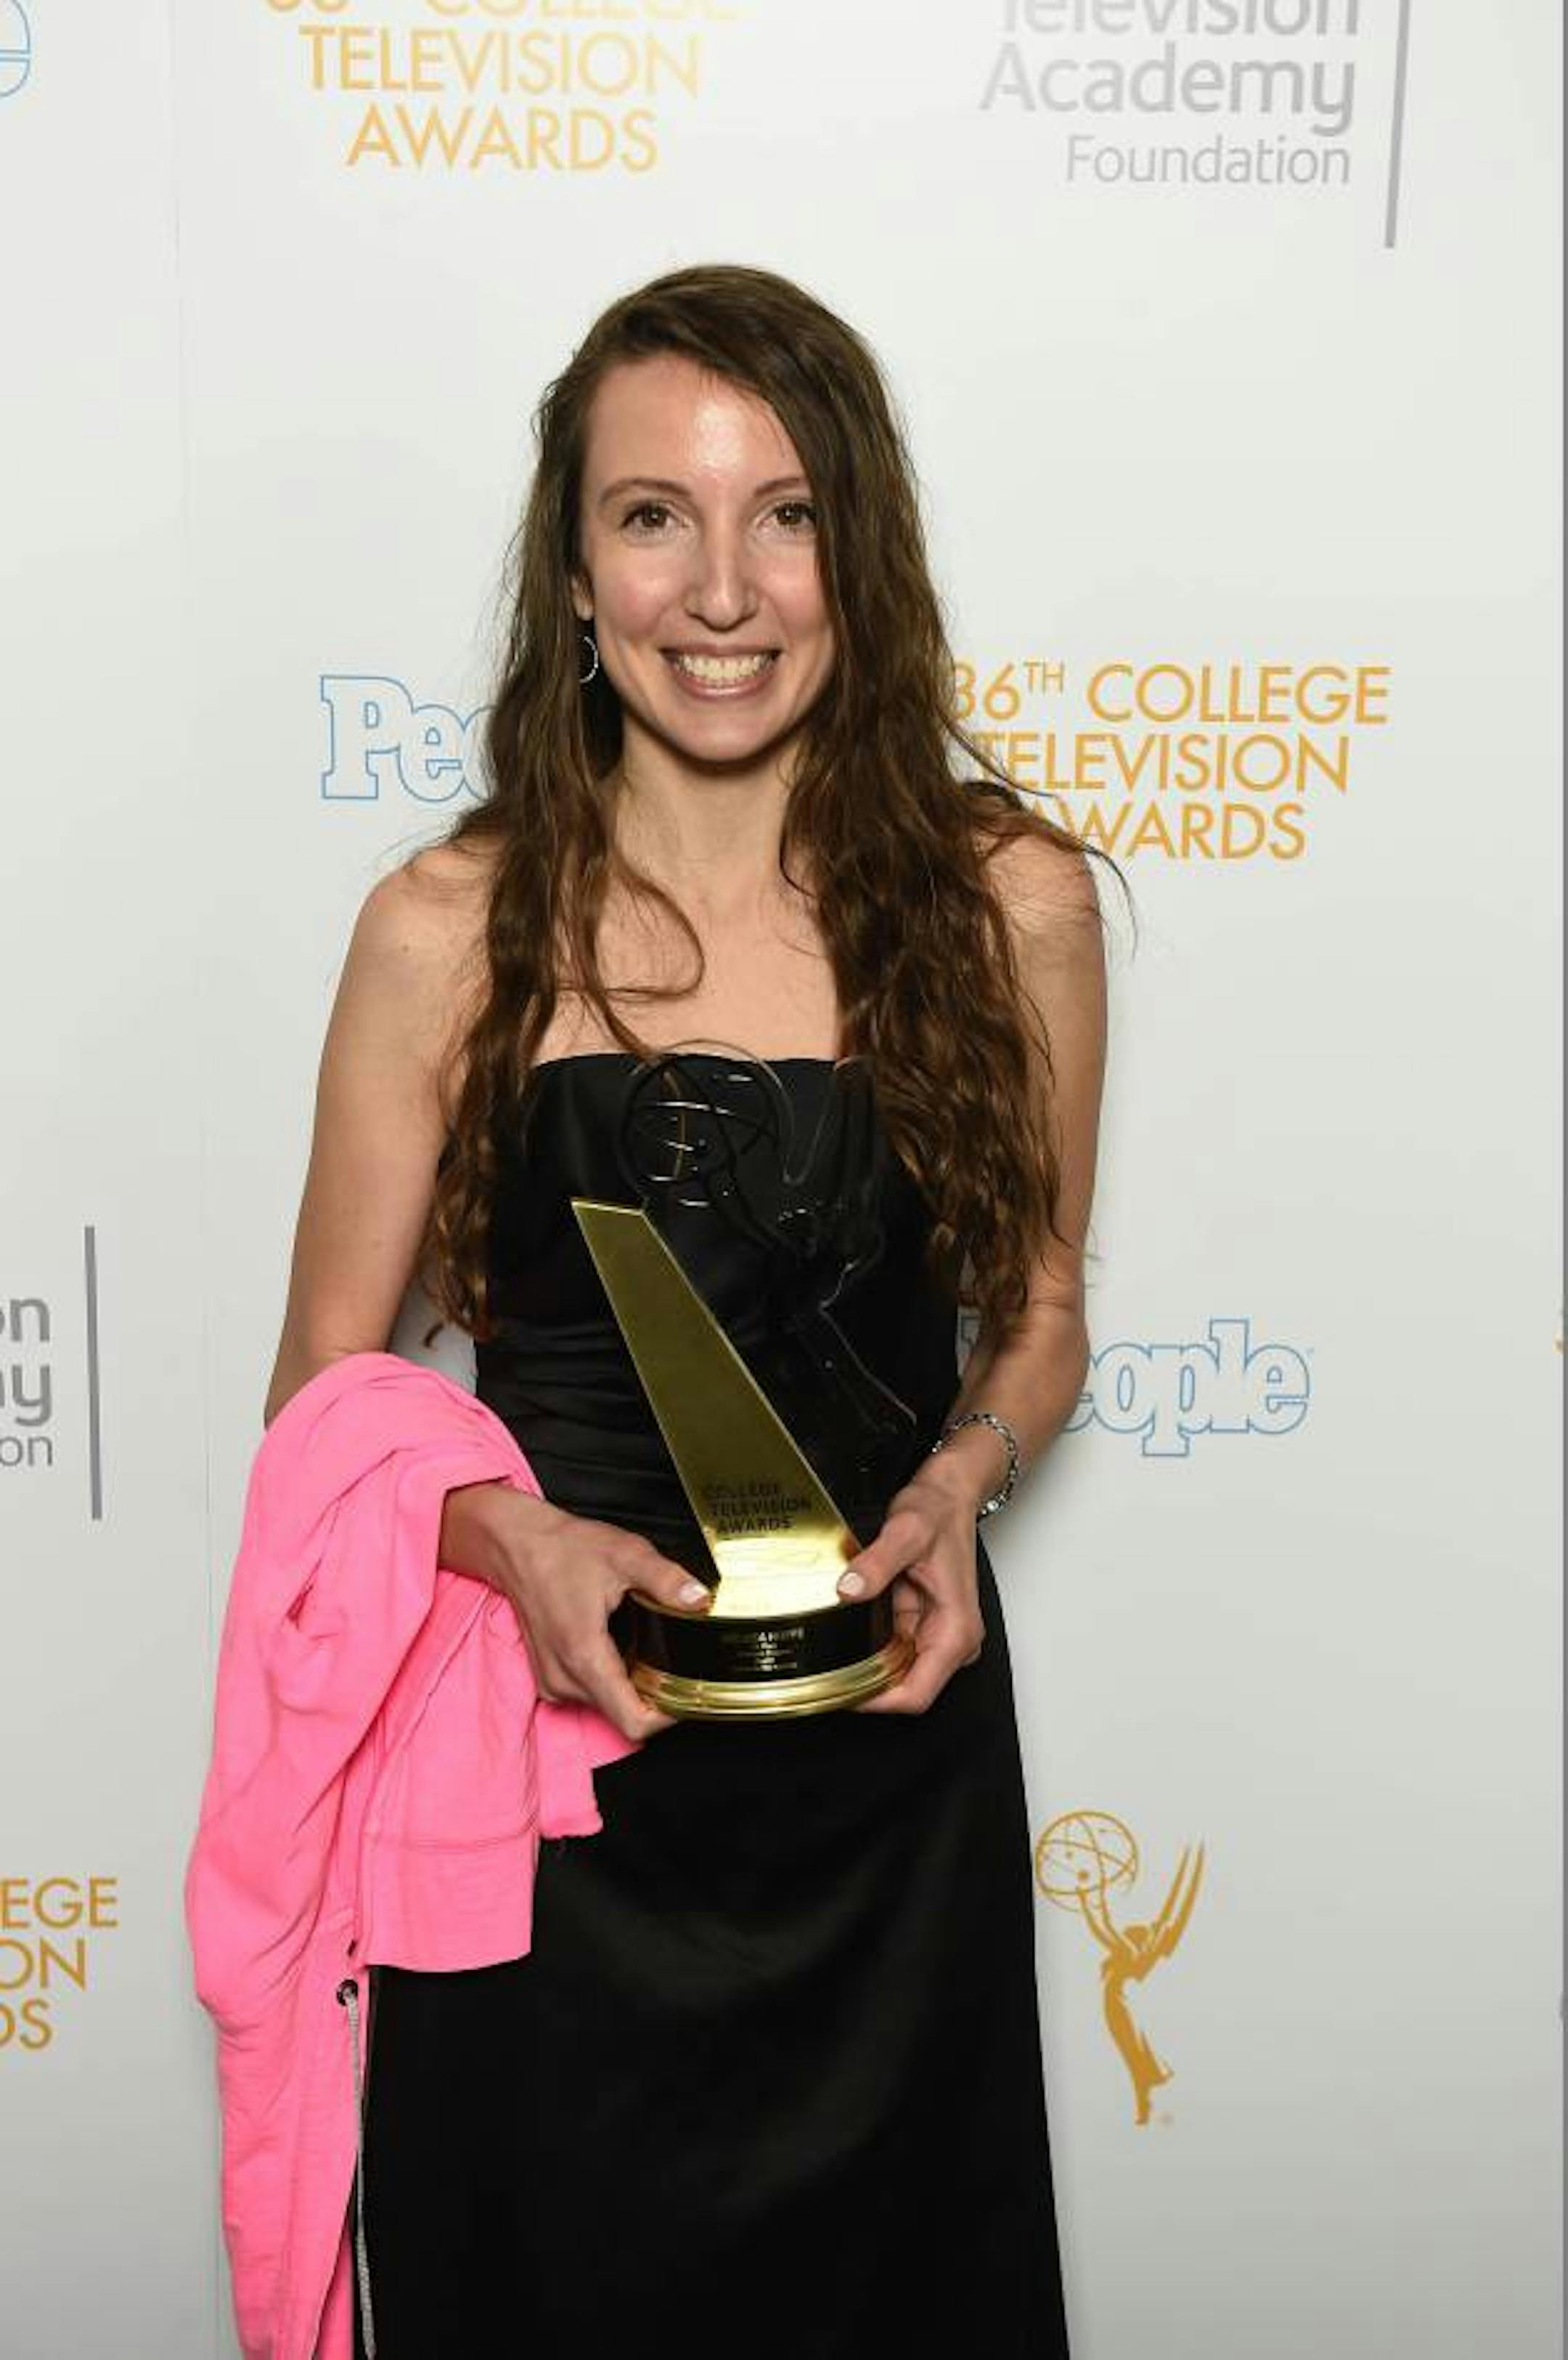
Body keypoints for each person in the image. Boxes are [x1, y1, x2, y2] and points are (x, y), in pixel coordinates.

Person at [264, 261, 1119, 2359]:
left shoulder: (1008, 901)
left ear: (860, 557)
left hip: (892, 1798)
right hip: (551, 1819)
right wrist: (512, 1542)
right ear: (574, 575)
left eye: (786, 515)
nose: (722, 592)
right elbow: (324, 1408)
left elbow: (1042, 1316)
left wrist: (965, 1482)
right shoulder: (445, 929)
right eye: (655, 516)